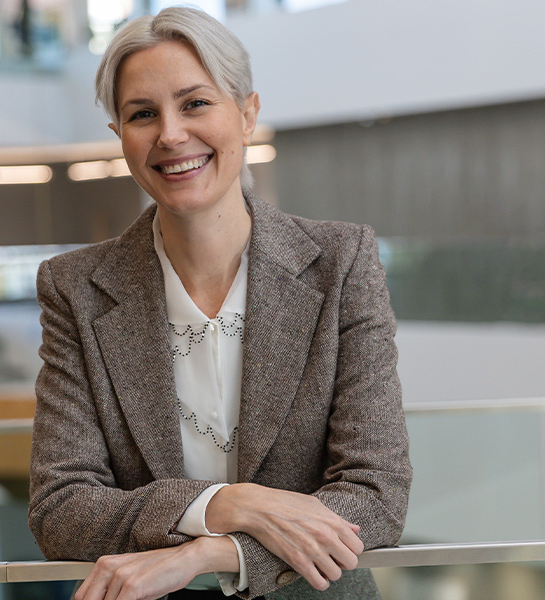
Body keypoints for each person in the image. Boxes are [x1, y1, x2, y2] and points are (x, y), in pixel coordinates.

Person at [28, 7, 411, 600]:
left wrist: (216, 549)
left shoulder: (342, 261)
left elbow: (376, 492)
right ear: (120, 137)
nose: (171, 134)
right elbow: (61, 507)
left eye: (196, 103)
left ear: (248, 113)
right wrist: (232, 503)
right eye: (142, 114)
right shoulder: (73, 287)